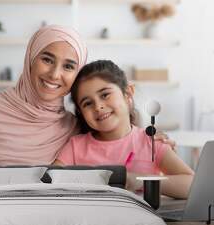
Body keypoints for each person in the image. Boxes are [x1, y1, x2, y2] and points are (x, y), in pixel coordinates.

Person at [0, 26, 174, 199]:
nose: (54, 75)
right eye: (47, 59)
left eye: (68, 66)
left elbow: (115, 140)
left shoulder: (75, 127)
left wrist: (152, 137)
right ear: (30, 58)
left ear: (76, 75)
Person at [54, 60, 194, 199]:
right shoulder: (75, 146)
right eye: (88, 103)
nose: (98, 107)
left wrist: (139, 180)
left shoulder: (151, 143)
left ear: (128, 93)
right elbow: (49, 181)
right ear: (81, 112)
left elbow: (192, 185)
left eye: (105, 95)